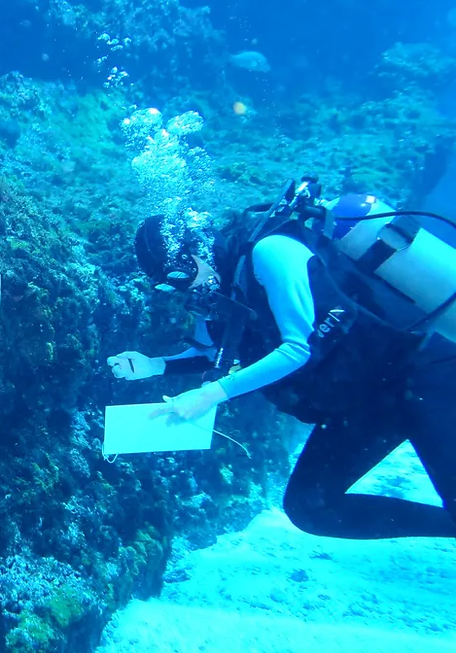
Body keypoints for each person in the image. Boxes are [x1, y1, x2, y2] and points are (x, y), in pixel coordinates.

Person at [108, 176, 456, 540]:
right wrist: (155, 365)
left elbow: (297, 348)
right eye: (167, 285)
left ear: (199, 248)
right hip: (363, 404)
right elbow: (209, 353)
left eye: (182, 274)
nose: (184, 288)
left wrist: (210, 394)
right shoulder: (220, 294)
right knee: (311, 508)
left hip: (420, 374)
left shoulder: (271, 252)